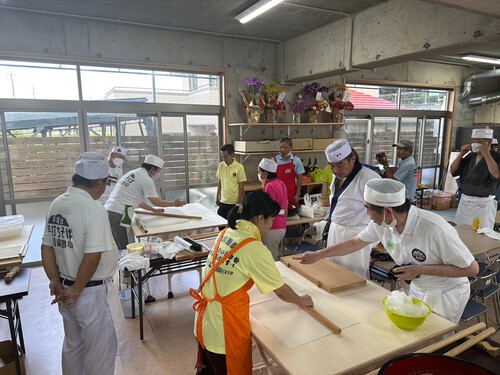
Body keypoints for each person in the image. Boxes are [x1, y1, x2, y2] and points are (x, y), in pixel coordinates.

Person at [295, 179, 479, 324]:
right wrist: (317, 255)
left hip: (445, 293)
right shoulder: (383, 224)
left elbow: (471, 269)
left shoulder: (434, 229)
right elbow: (354, 243)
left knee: (436, 341)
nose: (367, 214)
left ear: (388, 212)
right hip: (417, 289)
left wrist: (419, 270)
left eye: (368, 209)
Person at [191, 191, 313, 375]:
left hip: (205, 322)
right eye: (272, 219)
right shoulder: (253, 247)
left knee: (206, 371)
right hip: (224, 329)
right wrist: (301, 301)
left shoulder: (226, 232)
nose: (272, 225)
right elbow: (279, 290)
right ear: (261, 218)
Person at [41, 152, 131, 375]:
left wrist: (55, 281)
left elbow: (46, 247)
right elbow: (92, 258)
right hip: (88, 293)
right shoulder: (94, 209)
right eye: (105, 184)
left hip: (64, 289)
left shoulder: (57, 203)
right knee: (99, 352)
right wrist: (76, 290)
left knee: (73, 347)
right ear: (99, 183)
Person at [323, 139, 381, 278]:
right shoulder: (337, 176)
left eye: (340, 164)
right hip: (336, 231)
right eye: (332, 166)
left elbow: (382, 212)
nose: (336, 170)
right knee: (333, 273)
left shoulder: (368, 178)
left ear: (353, 159)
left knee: (353, 277)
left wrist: (374, 239)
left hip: (355, 236)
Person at [105, 154, 186, 250]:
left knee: (124, 245)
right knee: (124, 248)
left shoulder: (134, 173)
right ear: (152, 169)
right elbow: (157, 202)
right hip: (118, 214)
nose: (158, 173)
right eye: (158, 170)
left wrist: (153, 210)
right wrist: (174, 204)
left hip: (112, 211)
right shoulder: (145, 179)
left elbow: (138, 201)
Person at [450, 128, 500, 229]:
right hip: (465, 201)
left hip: (483, 203)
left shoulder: (496, 157)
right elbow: (453, 170)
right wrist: (461, 154)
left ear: (489, 142)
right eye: (473, 141)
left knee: (481, 232)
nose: (474, 144)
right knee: (461, 230)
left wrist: (486, 154)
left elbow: (496, 175)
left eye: (478, 141)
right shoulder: (471, 156)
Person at [258, 158, 288, 260]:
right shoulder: (281, 183)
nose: (259, 174)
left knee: (270, 259)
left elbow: (268, 209)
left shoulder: (270, 186)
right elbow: (285, 205)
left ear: (265, 174)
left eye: (260, 172)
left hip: (272, 228)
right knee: (274, 256)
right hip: (282, 226)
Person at [376, 138, 417, 204]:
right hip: (406, 196)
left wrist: (386, 165)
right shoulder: (406, 161)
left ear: (409, 151)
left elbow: (393, 181)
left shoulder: (408, 164)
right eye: (397, 148)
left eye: (401, 149)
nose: (398, 151)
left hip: (406, 198)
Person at [215, 144, 247, 219]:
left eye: (226, 156)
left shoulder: (239, 167)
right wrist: (217, 196)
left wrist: (239, 201)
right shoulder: (221, 166)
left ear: (232, 155)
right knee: (221, 223)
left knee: (233, 225)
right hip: (223, 201)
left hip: (234, 202)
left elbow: (241, 185)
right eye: (222, 156)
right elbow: (220, 181)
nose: (223, 159)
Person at [274, 137, 305, 212]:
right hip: (278, 193)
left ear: (291, 148)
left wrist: (297, 194)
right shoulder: (274, 160)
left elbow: (300, 178)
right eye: (281, 147)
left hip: (291, 193)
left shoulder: (296, 161)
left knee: (290, 213)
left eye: (285, 147)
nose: (282, 149)